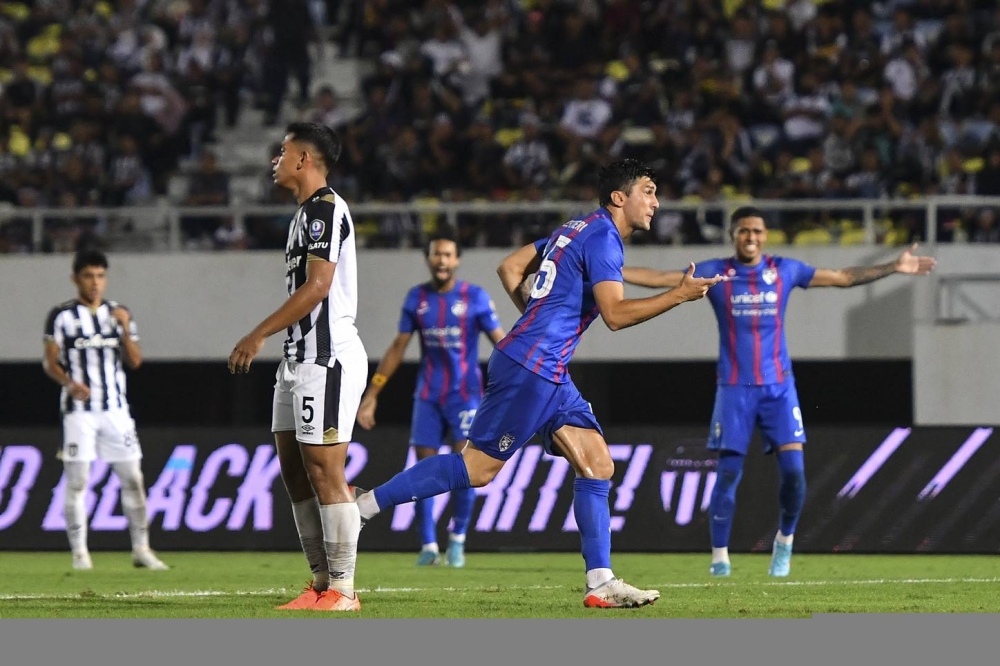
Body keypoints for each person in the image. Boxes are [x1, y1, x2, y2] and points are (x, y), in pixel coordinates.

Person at [355, 159, 723, 608]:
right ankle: (360, 509)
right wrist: (679, 296)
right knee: (477, 470)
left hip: (545, 368)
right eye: (648, 190)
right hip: (533, 366)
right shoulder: (605, 237)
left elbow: (510, 267)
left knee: (597, 463)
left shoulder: (577, 228)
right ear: (619, 197)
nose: (656, 200)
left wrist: (532, 316)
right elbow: (616, 315)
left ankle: (601, 580)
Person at [622, 206, 937, 578]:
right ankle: (720, 557)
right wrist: (608, 269)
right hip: (734, 389)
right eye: (743, 231)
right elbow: (660, 278)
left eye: (756, 230)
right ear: (732, 235)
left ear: (765, 234)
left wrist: (892, 267)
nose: (750, 237)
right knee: (727, 476)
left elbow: (841, 277)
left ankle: (784, 543)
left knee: (794, 473)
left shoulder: (784, 270)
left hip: (778, 389)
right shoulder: (716, 271)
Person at [228, 122, 367, 612]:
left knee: (325, 471)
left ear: (304, 159)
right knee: (293, 471)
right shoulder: (303, 215)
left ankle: (344, 590)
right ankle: (320, 581)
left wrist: (258, 332)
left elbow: (318, 287)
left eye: (282, 151)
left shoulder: (326, 209)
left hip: (326, 358)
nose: (275, 159)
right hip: (298, 359)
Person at [355, 233, 506, 568]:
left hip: (466, 396)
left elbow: (502, 343)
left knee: (464, 468)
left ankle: (457, 540)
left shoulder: (475, 297)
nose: (442, 260)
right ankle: (427, 544)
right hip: (427, 396)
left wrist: (518, 381)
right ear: (428, 258)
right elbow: (398, 348)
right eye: (437, 254)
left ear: (457, 260)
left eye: (448, 255)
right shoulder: (417, 298)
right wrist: (373, 393)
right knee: (424, 468)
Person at [42, 250, 168, 572]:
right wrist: (70, 383)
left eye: (100, 276)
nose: (95, 283)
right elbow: (50, 362)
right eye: (88, 276)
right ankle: (80, 554)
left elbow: (135, 361)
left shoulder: (118, 313)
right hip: (78, 411)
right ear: (75, 279)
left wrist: (125, 329)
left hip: (116, 411)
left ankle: (141, 548)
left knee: (133, 479)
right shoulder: (62, 316)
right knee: (78, 480)